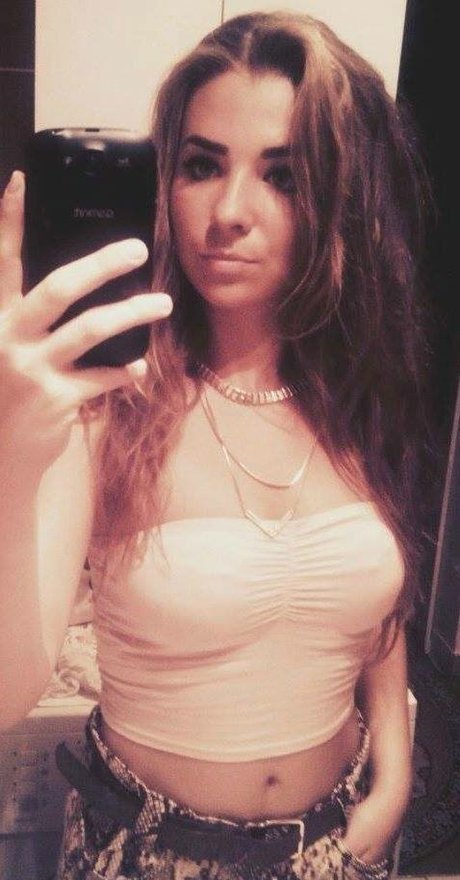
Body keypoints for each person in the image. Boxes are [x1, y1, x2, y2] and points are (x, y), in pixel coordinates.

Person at [0, 11, 433, 880]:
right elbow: (8, 689)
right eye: (201, 166)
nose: (230, 212)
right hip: (151, 856)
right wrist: (13, 440)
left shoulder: (359, 394)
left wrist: (395, 766)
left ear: (343, 197)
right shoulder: (108, 398)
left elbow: (373, 610)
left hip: (341, 845)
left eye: (284, 176)